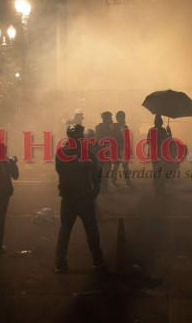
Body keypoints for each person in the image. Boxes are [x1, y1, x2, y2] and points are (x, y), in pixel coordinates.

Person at [55, 124, 105, 273]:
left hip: (69, 196)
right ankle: (97, 260)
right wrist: (95, 190)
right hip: (83, 197)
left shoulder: (61, 153)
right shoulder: (85, 153)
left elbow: (60, 171)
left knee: (65, 230)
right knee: (91, 230)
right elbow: (97, 172)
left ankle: (60, 262)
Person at [148, 114, 172, 196]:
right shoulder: (163, 130)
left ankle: (157, 189)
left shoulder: (151, 130)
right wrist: (169, 131)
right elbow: (168, 141)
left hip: (154, 153)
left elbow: (148, 142)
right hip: (162, 154)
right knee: (162, 171)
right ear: (161, 122)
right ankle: (161, 188)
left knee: (156, 171)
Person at [112, 111, 135, 190]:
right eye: (120, 116)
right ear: (117, 118)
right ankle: (116, 181)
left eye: (122, 116)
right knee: (118, 165)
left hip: (123, 148)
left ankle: (117, 182)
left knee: (122, 166)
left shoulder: (125, 126)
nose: (122, 118)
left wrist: (129, 148)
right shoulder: (115, 126)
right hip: (118, 148)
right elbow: (114, 137)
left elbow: (127, 138)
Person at [95, 111, 115, 193]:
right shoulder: (102, 127)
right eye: (110, 117)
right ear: (106, 118)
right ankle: (104, 188)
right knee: (105, 169)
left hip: (104, 151)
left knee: (105, 169)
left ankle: (103, 187)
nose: (111, 119)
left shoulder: (102, 127)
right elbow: (100, 138)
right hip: (103, 151)